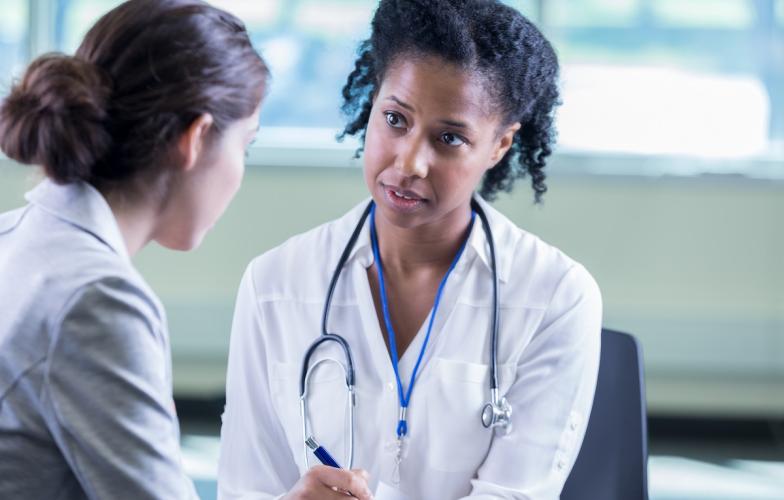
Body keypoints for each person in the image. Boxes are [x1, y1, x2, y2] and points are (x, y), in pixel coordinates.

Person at [218, 1, 601, 499]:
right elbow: (246, 489)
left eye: (449, 138)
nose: (411, 162)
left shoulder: (555, 296)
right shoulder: (275, 284)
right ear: (372, 101)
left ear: (500, 145)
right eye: (396, 119)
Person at [0, 0, 268, 498]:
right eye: (244, 145)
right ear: (197, 137)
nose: (239, 171)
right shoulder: (97, 300)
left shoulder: (14, 237)